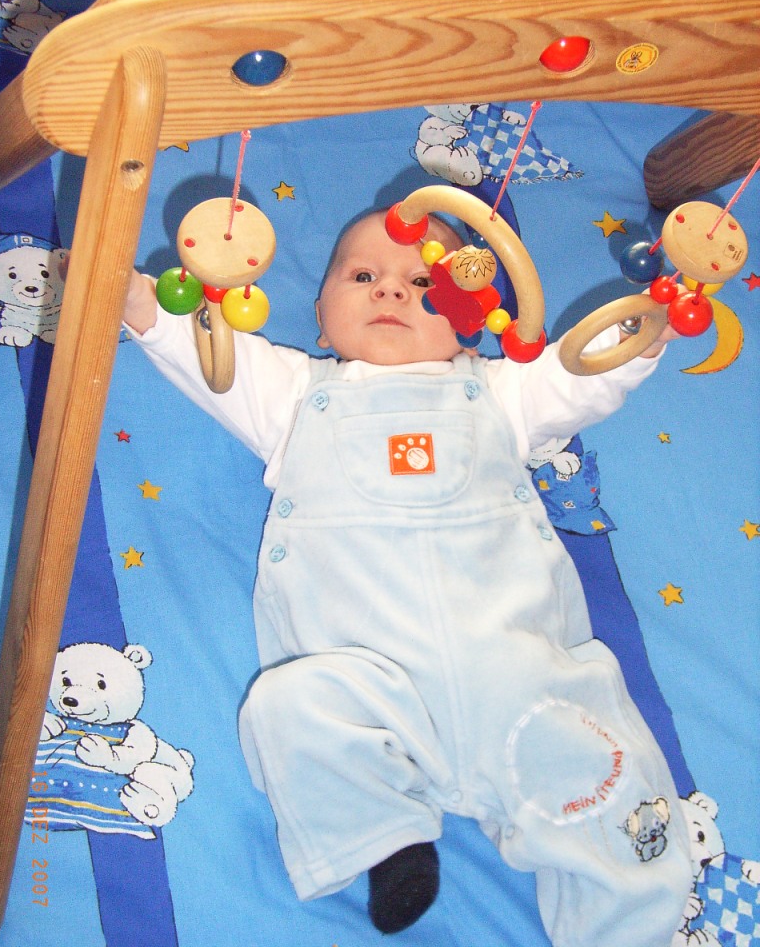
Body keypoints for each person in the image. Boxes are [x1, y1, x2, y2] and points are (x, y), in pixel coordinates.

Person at [123, 208, 692, 945]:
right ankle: (389, 843)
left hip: (511, 673)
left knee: (597, 771)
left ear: (471, 322)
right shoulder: (295, 396)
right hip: (364, 680)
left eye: (423, 282)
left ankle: (625, 928)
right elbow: (209, 359)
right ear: (321, 317)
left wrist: (642, 329)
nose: (391, 291)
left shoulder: (501, 393)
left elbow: (576, 375)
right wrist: (136, 300)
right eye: (363, 276)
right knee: (287, 708)